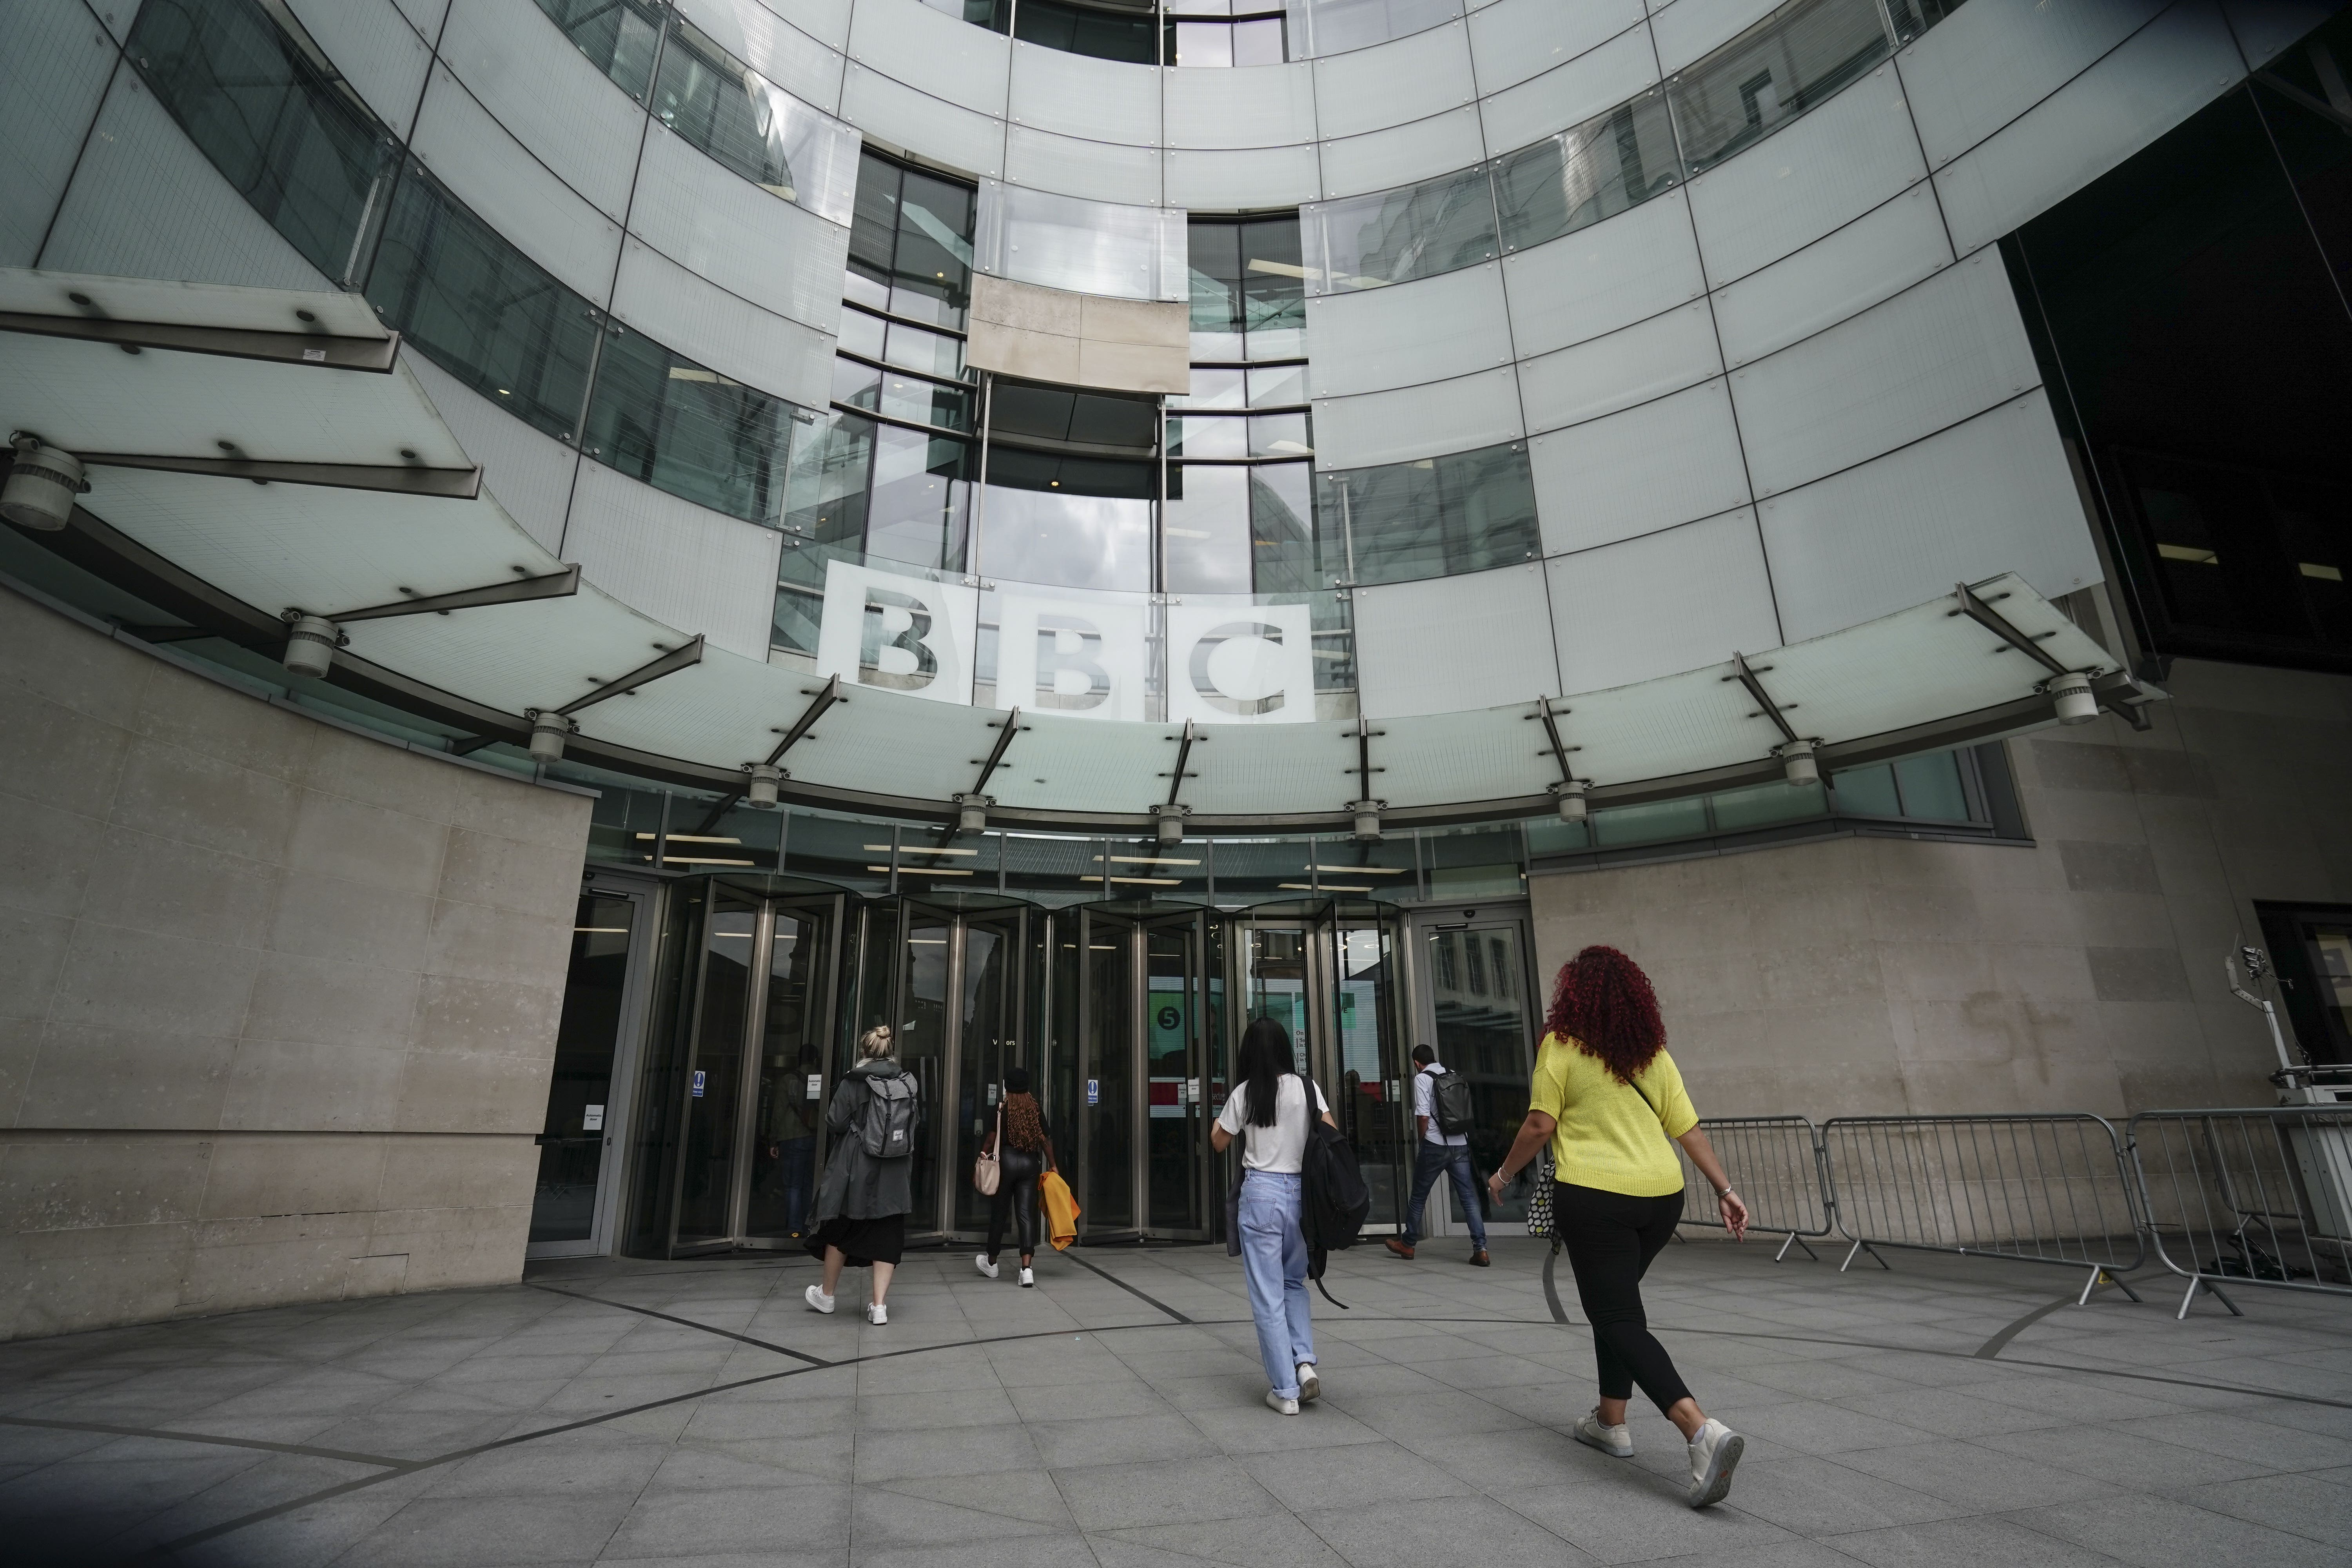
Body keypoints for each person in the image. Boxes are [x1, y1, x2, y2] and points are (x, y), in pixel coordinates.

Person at [1487, 945, 1753, 1509]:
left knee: (1614, 1314)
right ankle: (1611, 1422)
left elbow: (1539, 1123)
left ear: (1572, 995)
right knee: (1616, 1305)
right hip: (1663, 1198)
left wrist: (1505, 1172)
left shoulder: (1561, 1046)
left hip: (1596, 1197)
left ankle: (1700, 1430)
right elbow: (1689, 1129)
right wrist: (1725, 1191)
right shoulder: (1651, 1051)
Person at [1211, 1017, 1337, 1416]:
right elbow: (1332, 1134)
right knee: (1294, 1283)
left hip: (1262, 1194)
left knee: (1268, 1295)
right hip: (1302, 1196)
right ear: (1286, 1049)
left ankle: (1285, 1392)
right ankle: (1303, 1364)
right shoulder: (1307, 1087)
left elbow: (1217, 1141)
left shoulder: (1246, 1093)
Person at [805, 1025, 919, 1325]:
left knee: (840, 1226)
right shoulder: (906, 1080)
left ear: (864, 1052)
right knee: (887, 1232)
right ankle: (879, 1306)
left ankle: (827, 1296)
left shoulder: (855, 1080)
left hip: (858, 1165)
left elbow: (835, 1122)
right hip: (895, 1169)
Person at [1383, 1044, 1490, 1266]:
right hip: (1460, 1143)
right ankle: (1481, 1249)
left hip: (1435, 1144)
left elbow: (1423, 1115)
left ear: (1416, 1063)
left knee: (1419, 1196)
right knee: (1469, 1198)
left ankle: (1408, 1244)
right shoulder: (1453, 1075)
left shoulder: (1422, 1079)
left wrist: (1422, 1140)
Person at [975, 1066, 1055, 1287]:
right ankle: (1026, 1269)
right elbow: (1045, 1140)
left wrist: (983, 1154)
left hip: (1006, 1165)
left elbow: (992, 1139)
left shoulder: (1002, 1109)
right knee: (1026, 1215)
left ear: (1007, 1087)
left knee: (999, 1214)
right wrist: (1054, 1166)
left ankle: (991, 1263)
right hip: (1030, 1164)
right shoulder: (1034, 1109)